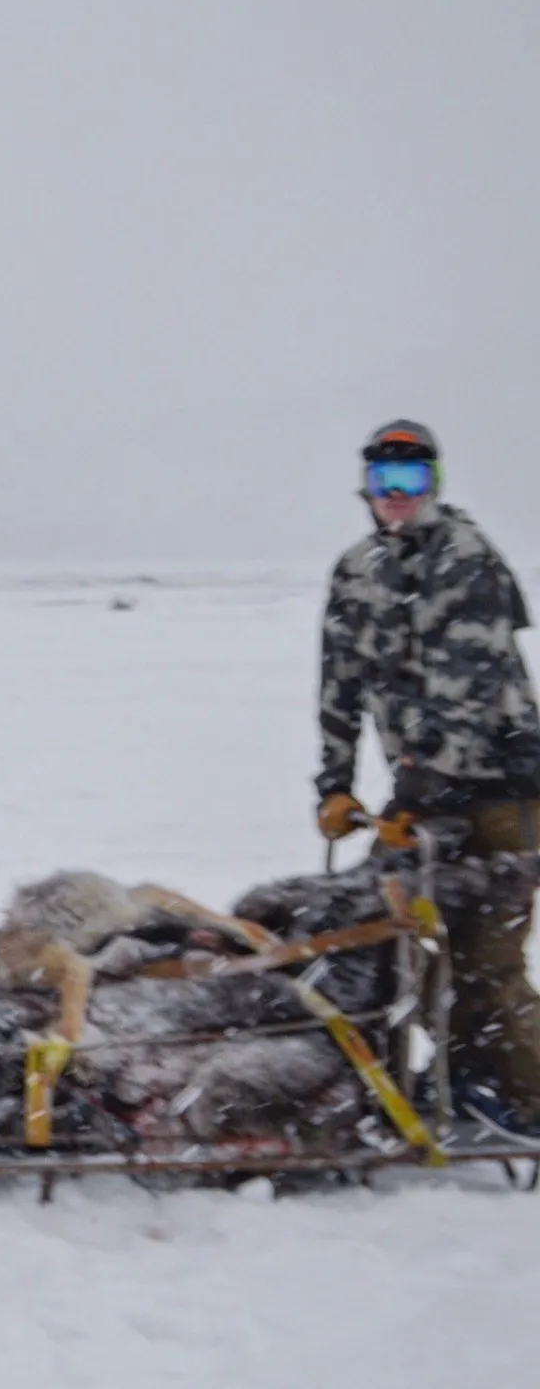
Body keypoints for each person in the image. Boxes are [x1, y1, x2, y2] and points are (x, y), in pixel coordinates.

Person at [314, 421, 540, 1138]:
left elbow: (466, 688)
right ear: (366, 488)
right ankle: (468, 1087)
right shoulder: (358, 569)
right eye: (384, 480)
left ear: (434, 484)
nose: (397, 495)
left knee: (488, 963)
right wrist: (334, 784)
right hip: (423, 794)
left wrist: (415, 793)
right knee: (406, 952)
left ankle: (527, 1096)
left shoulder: (466, 557)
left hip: (501, 789)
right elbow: (340, 683)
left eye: (411, 480)